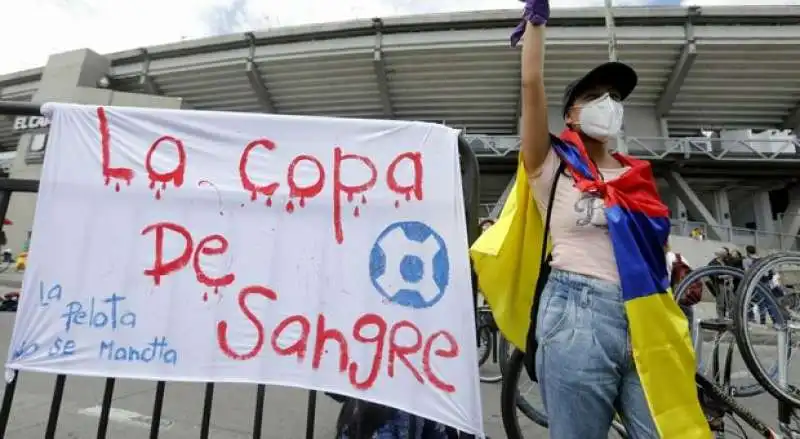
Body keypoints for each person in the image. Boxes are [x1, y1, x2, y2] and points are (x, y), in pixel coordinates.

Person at [482, 1, 710, 437]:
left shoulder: (637, 176)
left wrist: (676, 264)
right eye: (594, 97)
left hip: (649, 317)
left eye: (616, 98)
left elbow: (649, 247)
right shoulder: (551, 167)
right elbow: (531, 84)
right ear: (571, 115)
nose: (608, 104)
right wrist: (535, 26)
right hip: (575, 317)